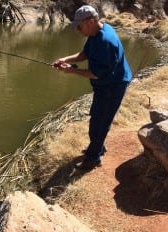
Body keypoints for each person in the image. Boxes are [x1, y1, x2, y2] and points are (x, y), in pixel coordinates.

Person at [52, 5, 132, 170]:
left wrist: (71, 71)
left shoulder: (105, 42)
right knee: (96, 116)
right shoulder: (97, 32)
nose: (78, 30)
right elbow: (84, 54)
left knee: (100, 122)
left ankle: (93, 158)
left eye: (79, 26)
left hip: (114, 85)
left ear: (90, 22)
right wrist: (65, 59)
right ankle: (98, 147)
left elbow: (95, 74)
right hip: (105, 84)